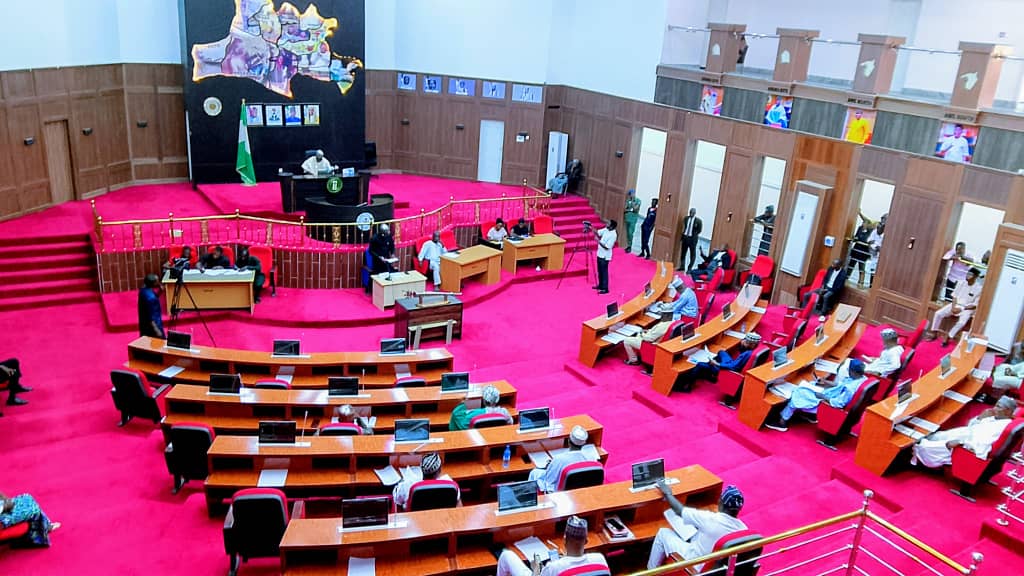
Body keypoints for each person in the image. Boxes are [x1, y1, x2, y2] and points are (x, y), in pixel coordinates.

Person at [647, 483, 747, 570]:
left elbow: (679, 510)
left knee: (663, 533)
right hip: (716, 567)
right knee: (692, 530)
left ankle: (650, 571)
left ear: (720, 501)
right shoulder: (743, 529)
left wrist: (668, 493)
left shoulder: (709, 519)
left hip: (694, 563)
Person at [911, 397, 1017, 468]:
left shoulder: (1003, 426)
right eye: (996, 405)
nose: (994, 409)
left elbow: (984, 445)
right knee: (935, 436)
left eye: (998, 407)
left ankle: (911, 456)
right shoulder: (996, 417)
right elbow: (972, 426)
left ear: (1008, 411)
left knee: (926, 446)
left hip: (964, 445)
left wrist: (964, 443)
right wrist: (980, 418)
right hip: (963, 434)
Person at [766, 359, 867, 431]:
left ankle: (782, 421)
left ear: (853, 371)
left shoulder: (850, 389)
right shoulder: (862, 379)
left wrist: (822, 396)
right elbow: (840, 385)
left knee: (799, 391)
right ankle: (807, 415)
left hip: (828, 402)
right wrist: (825, 382)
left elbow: (838, 403)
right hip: (830, 394)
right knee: (811, 384)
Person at [497, 515, 608, 576]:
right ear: (586, 541)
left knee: (506, 556)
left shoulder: (554, 568)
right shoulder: (600, 559)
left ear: (564, 540)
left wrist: (536, 570)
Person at [679, 333, 762, 392]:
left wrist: (716, 364)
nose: (743, 342)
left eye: (746, 342)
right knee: (721, 352)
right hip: (732, 363)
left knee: (700, 364)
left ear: (752, 345)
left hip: (729, 371)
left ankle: (687, 386)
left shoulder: (747, 354)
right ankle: (712, 375)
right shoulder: (753, 349)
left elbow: (734, 367)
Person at [528, 425, 596, 493]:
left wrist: (550, 467)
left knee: (534, 473)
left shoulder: (559, 459)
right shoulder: (591, 458)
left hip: (561, 492)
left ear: (569, 441)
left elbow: (549, 481)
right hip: (582, 488)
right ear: (584, 444)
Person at [929, 267, 981, 347]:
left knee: (962, 322)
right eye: (967, 273)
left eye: (970, 275)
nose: (967, 276)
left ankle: (949, 336)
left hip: (966, 308)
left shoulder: (979, 288)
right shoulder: (961, 283)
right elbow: (954, 297)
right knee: (938, 314)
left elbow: (974, 305)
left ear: (975, 277)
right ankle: (934, 332)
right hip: (956, 304)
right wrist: (953, 307)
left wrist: (961, 309)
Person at [392, 452, 457, 509]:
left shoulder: (407, 485)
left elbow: (397, 500)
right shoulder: (450, 484)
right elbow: (458, 507)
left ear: (421, 469)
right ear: (439, 470)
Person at [593, 220, 617, 295]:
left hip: (605, 256)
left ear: (612, 226)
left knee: (604, 272)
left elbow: (607, 247)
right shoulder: (606, 229)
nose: (606, 224)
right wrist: (591, 227)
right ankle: (600, 285)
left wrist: (598, 241)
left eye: (608, 224)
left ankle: (605, 288)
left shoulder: (613, 235)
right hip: (599, 253)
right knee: (599, 271)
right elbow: (598, 232)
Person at [138, 273, 165, 339]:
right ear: (153, 284)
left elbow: (153, 299)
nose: (159, 282)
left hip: (144, 323)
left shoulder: (143, 290)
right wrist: (157, 330)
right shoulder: (151, 298)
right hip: (154, 325)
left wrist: (159, 292)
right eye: (157, 281)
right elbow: (150, 317)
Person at [679, 208, 703, 272]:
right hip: (685, 238)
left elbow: (699, 230)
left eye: (692, 212)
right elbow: (684, 227)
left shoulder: (698, 221)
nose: (691, 213)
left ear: (695, 213)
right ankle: (682, 266)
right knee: (683, 253)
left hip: (692, 239)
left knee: (692, 254)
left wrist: (693, 236)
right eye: (690, 212)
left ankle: (689, 268)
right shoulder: (686, 218)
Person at [866, 214, 886, 287]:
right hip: (874, 257)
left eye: (883, 220)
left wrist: (877, 245)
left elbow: (884, 248)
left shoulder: (889, 233)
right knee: (872, 273)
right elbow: (869, 241)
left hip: (883, 259)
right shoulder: (875, 231)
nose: (880, 224)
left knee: (880, 276)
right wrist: (876, 246)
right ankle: (871, 286)